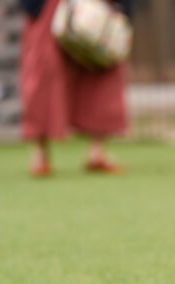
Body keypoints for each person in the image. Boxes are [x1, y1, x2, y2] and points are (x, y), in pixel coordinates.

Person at [19, 0, 132, 176]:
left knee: (102, 69)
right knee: (45, 73)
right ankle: (40, 153)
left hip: (98, 5)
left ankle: (97, 152)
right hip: (50, 6)